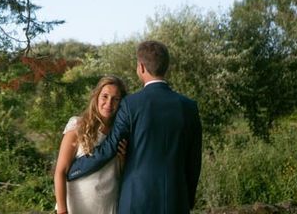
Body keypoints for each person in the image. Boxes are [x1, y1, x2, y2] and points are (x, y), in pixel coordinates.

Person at [68, 40, 202, 214]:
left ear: (141, 67)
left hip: (136, 201)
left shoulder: (130, 105)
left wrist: (75, 169)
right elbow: (194, 161)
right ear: (166, 67)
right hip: (176, 200)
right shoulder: (189, 107)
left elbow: (109, 148)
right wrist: (187, 198)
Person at [54, 75, 128, 214]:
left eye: (115, 99)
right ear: (96, 96)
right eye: (104, 96)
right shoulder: (78, 126)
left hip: (107, 207)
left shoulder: (121, 133)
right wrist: (62, 210)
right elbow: (60, 172)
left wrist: (123, 159)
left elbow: (120, 176)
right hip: (76, 208)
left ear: (121, 102)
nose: (109, 103)